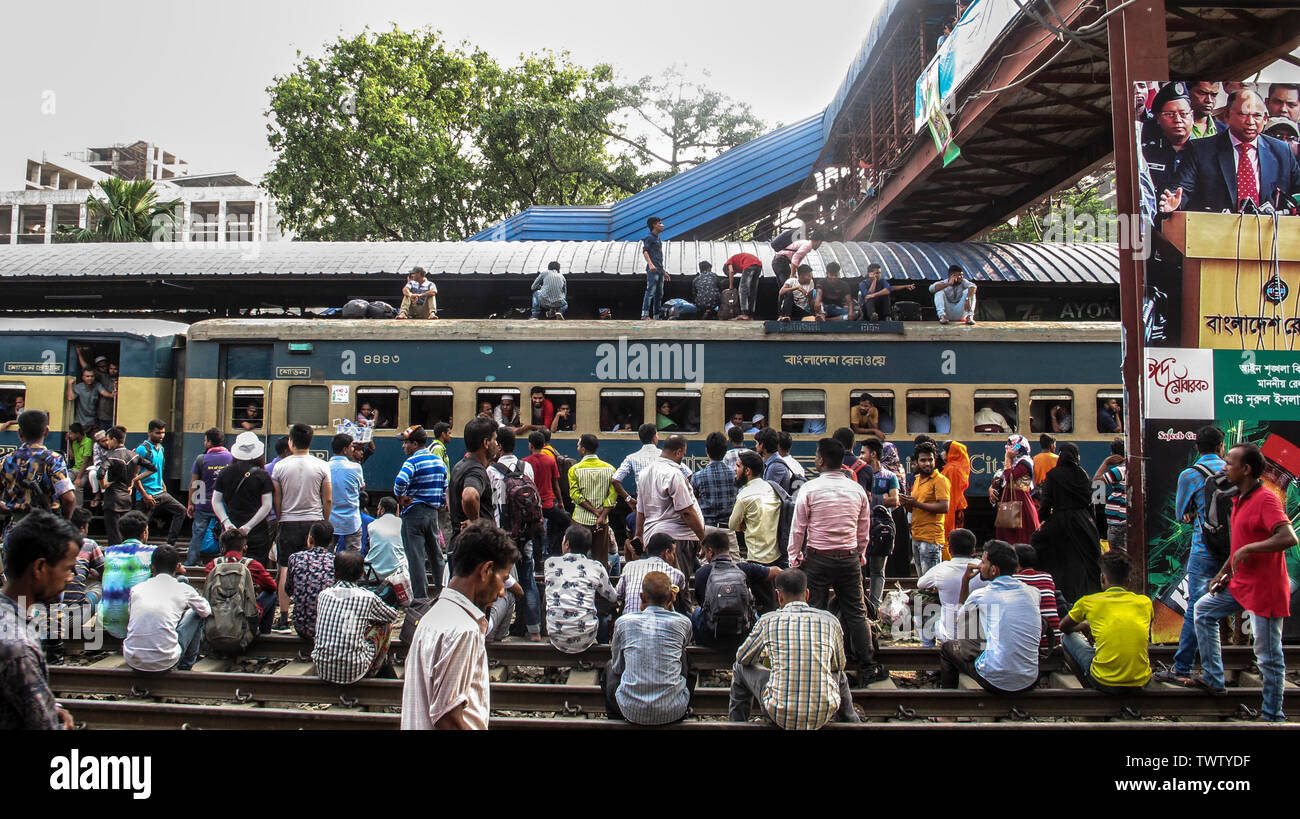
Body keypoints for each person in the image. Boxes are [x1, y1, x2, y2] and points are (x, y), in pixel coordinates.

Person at [1191, 443, 1296, 722]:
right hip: (1241, 582)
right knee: (1203, 610)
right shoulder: (1239, 498)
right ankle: (1214, 678)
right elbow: (1239, 544)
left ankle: (1273, 715)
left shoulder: (1266, 500)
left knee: (1268, 655)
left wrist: (1249, 550)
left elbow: (1288, 537)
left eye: (1230, 463)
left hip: (1266, 587)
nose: (1225, 467)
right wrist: (1224, 571)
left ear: (1246, 469)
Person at [400, 520, 519, 730]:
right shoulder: (464, 629)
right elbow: (448, 719)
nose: (502, 592)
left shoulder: (433, 616)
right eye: (503, 578)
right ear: (487, 570)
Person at [790, 437, 884, 683]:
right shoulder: (857, 490)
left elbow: (798, 528)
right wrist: (861, 552)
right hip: (849, 557)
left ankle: (816, 661)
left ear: (820, 460)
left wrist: (794, 556)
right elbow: (864, 528)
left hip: (818, 558)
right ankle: (867, 664)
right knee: (856, 612)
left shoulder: (809, 489)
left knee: (815, 610)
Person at [729, 568, 860, 729]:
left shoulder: (768, 621)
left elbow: (743, 657)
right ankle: (852, 722)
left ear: (779, 596)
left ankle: (736, 724)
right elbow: (838, 666)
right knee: (839, 675)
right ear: (807, 595)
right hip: (824, 712)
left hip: (779, 712)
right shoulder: (829, 621)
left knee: (739, 667)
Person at [1155, 426, 1227, 685]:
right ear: (1221, 445)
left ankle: (1183, 667)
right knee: (1226, 607)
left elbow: (1180, 515)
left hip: (1203, 549)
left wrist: (1193, 514)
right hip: (1234, 552)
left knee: (1197, 608)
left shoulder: (1190, 475)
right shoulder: (1234, 471)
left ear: (1197, 447)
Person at [0, 510, 79, 729]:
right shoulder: (18, 647)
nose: (70, 578)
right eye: (67, 569)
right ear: (39, 567)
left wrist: (51, 705)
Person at [1160, 89, 1300, 213]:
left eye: (1257, 116)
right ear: (1227, 115)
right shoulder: (1201, 150)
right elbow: (1181, 190)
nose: (1250, 122)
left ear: (1265, 119)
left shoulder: (1282, 151)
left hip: (1269, 235)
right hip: (1216, 235)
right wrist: (1174, 202)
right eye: (1243, 114)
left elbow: (1297, 191)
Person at [938, 540, 1042, 693]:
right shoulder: (1033, 592)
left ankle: (946, 716)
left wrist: (965, 581)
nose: (979, 566)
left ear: (994, 570)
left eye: (983, 562)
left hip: (995, 680)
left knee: (947, 648)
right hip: (1030, 679)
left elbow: (958, 618)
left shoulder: (981, 595)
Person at [604, 571, 695, 725]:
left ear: (643, 597)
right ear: (672, 597)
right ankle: (682, 705)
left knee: (609, 667)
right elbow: (681, 651)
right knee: (685, 658)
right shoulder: (684, 623)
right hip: (673, 712)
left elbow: (618, 668)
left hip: (630, 710)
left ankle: (616, 718)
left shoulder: (623, 623)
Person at [1059, 549, 1152, 692]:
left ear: (1102, 578)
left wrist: (1084, 625)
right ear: (1129, 581)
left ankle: (1090, 688)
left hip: (1104, 681)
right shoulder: (1145, 602)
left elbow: (1064, 627)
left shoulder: (1089, 602)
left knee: (1066, 638)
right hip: (1141, 681)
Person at [271, 423, 332, 632]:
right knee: (316, 565)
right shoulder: (322, 466)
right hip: (314, 521)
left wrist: (281, 519)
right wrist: (324, 521)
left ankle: (284, 619)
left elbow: (277, 499)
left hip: (288, 521)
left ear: (290, 441)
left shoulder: (280, 467)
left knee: (286, 568)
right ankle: (318, 615)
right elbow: (328, 499)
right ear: (311, 441)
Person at [313, 549, 400, 684]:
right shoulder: (367, 597)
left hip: (323, 669)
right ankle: (374, 670)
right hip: (353, 671)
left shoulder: (323, 595)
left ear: (335, 572)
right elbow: (391, 615)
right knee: (385, 626)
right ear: (361, 573)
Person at [1031, 442, 1103, 606]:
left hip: (1059, 520)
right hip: (1082, 521)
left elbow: (1046, 502)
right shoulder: (1083, 474)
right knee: (1089, 557)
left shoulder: (1053, 475)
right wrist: (1091, 525)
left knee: (1041, 546)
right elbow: (1088, 502)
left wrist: (1042, 520)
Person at [487, 426, 541, 641]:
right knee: (528, 579)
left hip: (503, 534)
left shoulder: (492, 471)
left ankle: (499, 628)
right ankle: (534, 631)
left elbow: (491, 503)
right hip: (526, 533)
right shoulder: (526, 467)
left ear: (498, 446)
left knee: (504, 579)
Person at [122, 545, 210, 673]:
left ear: (152, 567)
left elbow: (131, 614)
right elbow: (206, 611)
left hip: (133, 660)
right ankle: (186, 665)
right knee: (196, 614)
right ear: (177, 567)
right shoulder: (183, 589)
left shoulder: (137, 589)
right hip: (165, 662)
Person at [635, 435, 707, 588]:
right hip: (677, 538)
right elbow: (686, 511)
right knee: (677, 588)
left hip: (652, 537)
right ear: (678, 452)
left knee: (659, 586)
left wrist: (639, 534)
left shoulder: (644, 473)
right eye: (684, 453)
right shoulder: (673, 474)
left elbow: (640, 509)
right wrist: (703, 539)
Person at [691, 529, 778, 648]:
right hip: (743, 636)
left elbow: (702, 604)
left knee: (696, 612)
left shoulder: (702, 573)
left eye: (705, 553)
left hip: (712, 637)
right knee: (757, 617)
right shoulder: (745, 569)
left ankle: (701, 649)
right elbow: (776, 572)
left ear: (711, 552)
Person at [394, 421, 450, 598]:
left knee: (416, 557)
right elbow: (444, 486)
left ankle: (420, 598)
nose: (403, 446)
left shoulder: (412, 461)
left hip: (414, 513)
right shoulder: (438, 461)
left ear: (415, 444)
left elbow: (400, 481)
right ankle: (443, 593)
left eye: (406, 442)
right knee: (436, 556)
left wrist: (400, 496)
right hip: (432, 513)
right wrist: (439, 502)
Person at [544, 524, 617, 652]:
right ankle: (604, 648)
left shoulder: (550, 563)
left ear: (567, 544)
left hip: (556, 636)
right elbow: (612, 597)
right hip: (585, 638)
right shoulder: (596, 566)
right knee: (603, 609)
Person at [0, 409, 76, 530]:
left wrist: (7, 508)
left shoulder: (5, 460)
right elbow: (69, 498)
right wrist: (64, 523)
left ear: (20, 433)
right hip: (46, 529)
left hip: (15, 529)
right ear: (46, 431)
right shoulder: (53, 459)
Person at [211, 432, 275, 565]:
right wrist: (248, 527)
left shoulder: (225, 472)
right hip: (257, 532)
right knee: (255, 570)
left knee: (230, 567)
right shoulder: (262, 475)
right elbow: (267, 505)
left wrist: (227, 522)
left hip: (231, 535)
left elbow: (216, 501)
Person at [917, 528, 985, 646]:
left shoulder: (941, 569)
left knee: (922, 606)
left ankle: (927, 648)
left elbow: (920, 584)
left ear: (949, 549)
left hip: (949, 635)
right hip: (979, 636)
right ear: (974, 550)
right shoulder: (983, 569)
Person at [205, 527, 278, 636]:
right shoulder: (253, 565)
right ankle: (265, 633)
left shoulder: (212, 565)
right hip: (244, 619)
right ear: (244, 548)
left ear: (222, 549)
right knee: (271, 595)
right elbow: (272, 586)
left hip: (217, 616)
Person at [98, 511, 156, 640]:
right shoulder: (152, 552)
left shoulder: (109, 552)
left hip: (109, 622)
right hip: (137, 624)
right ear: (144, 533)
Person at [131, 419, 186, 550]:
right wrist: (144, 495)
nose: (161, 436)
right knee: (142, 526)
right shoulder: (142, 450)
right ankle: (140, 550)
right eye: (157, 433)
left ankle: (170, 544)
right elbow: (135, 475)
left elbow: (157, 469)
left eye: (162, 433)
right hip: (147, 494)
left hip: (160, 492)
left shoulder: (160, 449)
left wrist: (162, 484)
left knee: (181, 511)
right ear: (149, 432)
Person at [569, 433, 617, 571]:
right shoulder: (610, 469)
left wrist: (593, 511)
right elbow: (612, 496)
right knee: (600, 558)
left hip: (580, 520)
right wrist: (601, 516)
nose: (577, 448)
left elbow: (575, 495)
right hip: (602, 522)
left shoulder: (575, 470)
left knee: (577, 558)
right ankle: (599, 588)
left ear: (583, 449)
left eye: (578, 445)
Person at [900, 441, 949, 576]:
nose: (927, 463)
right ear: (916, 462)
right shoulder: (917, 480)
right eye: (923, 460)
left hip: (931, 538)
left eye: (930, 460)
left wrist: (916, 504)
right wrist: (907, 503)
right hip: (917, 536)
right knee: (922, 582)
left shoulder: (940, 480)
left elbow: (944, 507)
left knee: (930, 584)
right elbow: (915, 508)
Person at [1141, 81, 1196, 194]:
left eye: (1183, 113)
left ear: (1192, 116)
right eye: (1169, 114)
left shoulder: (1204, 152)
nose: (1177, 120)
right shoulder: (1146, 152)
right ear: (1158, 119)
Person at [96, 426, 148, 546]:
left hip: (112, 500)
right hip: (126, 499)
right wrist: (132, 483)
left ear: (114, 439)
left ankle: (116, 560)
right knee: (125, 534)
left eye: (108, 439)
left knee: (114, 535)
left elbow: (100, 473)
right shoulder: (131, 455)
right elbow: (149, 469)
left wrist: (103, 485)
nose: (107, 442)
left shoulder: (112, 456)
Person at [187, 428, 232, 566]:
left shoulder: (201, 459)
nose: (204, 442)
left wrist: (190, 503)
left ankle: (190, 562)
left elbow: (194, 483)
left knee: (198, 534)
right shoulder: (231, 458)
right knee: (227, 533)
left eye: (205, 440)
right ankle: (226, 560)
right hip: (223, 503)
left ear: (210, 442)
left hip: (203, 502)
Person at [284, 520, 336, 641]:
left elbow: (289, 590)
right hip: (328, 628)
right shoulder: (335, 561)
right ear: (330, 542)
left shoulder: (295, 558)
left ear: (310, 539)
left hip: (302, 626)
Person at [449, 417, 498, 539]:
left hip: (460, 542)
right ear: (486, 443)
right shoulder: (476, 471)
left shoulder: (459, 466)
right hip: (476, 548)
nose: (497, 444)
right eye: (495, 440)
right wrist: (476, 525)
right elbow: (469, 496)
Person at [616, 532, 686, 616]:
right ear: (667, 552)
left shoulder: (629, 566)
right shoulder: (676, 573)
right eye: (673, 553)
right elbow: (681, 589)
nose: (673, 557)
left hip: (629, 622)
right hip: (661, 624)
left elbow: (618, 595)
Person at [524, 430, 569, 558]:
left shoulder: (525, 462)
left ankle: (538, 565)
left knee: (535, 533)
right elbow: (556, 485)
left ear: (530, 445)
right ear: (544, 444)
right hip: (548, 505)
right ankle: (555, 551)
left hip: (533, 506)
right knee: (565, 520)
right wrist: (560, 502)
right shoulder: (550, 461)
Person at [989, 434, 1040, 545]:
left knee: (1021, 533)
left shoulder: (1025, 462)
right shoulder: (1015, 462)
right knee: (1006, 531)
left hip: (1020, 502)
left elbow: (1010, 476)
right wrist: (991, 488)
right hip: (1010, 499)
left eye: (1013, 446)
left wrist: (1007, 458)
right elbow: (1000, 477)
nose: (1010, 448)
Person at [1013, 544, 1061, 651]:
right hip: (1054, 640)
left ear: (1015, 562)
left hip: (1029, 644)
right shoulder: (1047, 577)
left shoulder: (1013, 580)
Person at [363, 497, 409, 603]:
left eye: (379, 508)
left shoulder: (372, 526)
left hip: (375, 572)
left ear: (382, 510)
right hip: (398, 572)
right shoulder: (402, 523)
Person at [328, 434, 366, 551]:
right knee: (353, 556)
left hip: (330, 520)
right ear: (345, 450)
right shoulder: (355, 467)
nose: (353, 449)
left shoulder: (325, 466)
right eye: (351, 447)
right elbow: (361, 488)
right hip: (351, 520)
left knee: (326, 552)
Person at [691, 432, 737, 528]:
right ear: (725, 451)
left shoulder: (698, 476)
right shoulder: (735, 475)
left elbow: (692, 502)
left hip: (707, 527)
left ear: (706, 451)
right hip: (729, 528)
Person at [1094, 438, 1127, 550]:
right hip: (1121, 520)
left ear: (1114, 454)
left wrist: (1106, 462)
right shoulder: (1127, 468)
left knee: (1117, 554)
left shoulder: (1119, 470)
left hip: (1118, 522)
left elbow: (1097, 481)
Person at [940, 440, 970, 546]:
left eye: (944, 450)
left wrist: (948, 516)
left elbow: (952, 494)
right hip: (957, 507)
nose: (942, 453)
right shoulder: (955, 467)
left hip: (953, 508)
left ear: (951, 452)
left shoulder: (952, 469)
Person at [641, 216, 669, 320]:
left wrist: (664, 271)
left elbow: (658, 257)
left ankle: (656, 316)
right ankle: (645, 314)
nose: (662, 225)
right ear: (654, 225)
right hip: (652, 270)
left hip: (660, 270)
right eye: (660, 223)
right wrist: (650, 264)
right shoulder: (649, 237)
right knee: (650, 291)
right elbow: (645, 251)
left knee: (659, 294)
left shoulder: (658, 239)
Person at [723, 250, 764, 320]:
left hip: (749, 264)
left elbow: (731, 271)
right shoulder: (738, 262)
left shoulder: (728, 262)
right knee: (752, 291)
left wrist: (730, 286)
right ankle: (751, 315)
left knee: (743, 289)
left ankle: (744, 314)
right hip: (758, 265)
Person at [755, 427, 792, 493]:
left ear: (762, 445)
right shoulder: (770, 463)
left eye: (757, 443)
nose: (756, 446)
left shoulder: (776, 466)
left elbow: (767, 492)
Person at [65, 423, 93, 506]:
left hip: (85, 471)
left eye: (71, 434)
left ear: (77, 434)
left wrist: (78, 478)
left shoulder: (88, 442)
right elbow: (71, 457)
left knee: (78, 485)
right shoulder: (74, 443)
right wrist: (68, 442)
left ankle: (77, 509)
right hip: (75, 469)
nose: (70, 435)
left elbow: (85, 462)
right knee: (64, 482)